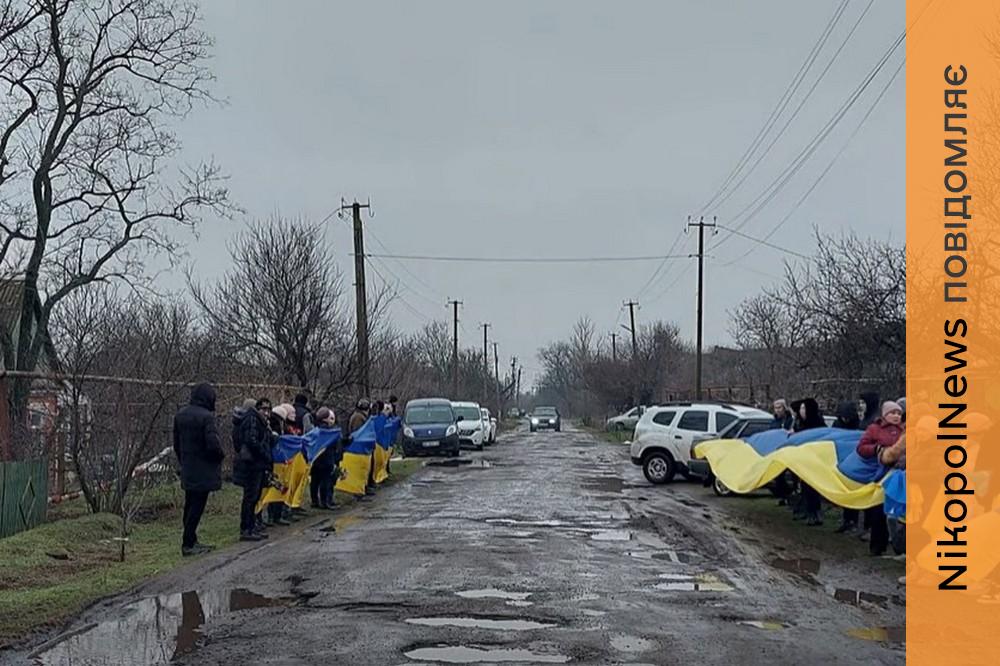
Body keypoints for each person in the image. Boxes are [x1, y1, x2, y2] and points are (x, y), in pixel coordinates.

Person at [173, 383, 225, 556]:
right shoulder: (207, 417)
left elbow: (176, 444)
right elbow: (213, 444)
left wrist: (184, 461)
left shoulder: (180, 415)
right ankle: (188, 543)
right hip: (204, 468)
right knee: (197, 506)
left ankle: (190, 539)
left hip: (188, 466)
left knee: (189, 505)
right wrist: (219, 457)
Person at [856, 401, 905, 555]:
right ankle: (877, 547)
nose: (896, 416)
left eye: (899, 413)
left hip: (900, 474)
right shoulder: (874, 429)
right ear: (884, 414)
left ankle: (899, 546)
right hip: (880, 474)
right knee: (878, 510)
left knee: (896, 511)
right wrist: (876, 449)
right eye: (893, 413)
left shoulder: (905, 430)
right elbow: (861, 447)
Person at [232, 398, 275, 541]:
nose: (267, 413)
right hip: (252, 464)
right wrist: (265, 454)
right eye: (264, 409)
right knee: (250, 497)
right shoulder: (252, 420)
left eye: (269, 409)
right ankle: (247, 529)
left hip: (255, 464)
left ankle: (251, 526)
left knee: (253, 497)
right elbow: (252, 441)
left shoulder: (255, 421)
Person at [792, 398, 825, 526]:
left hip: (815, 461)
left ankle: (815, 513)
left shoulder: (817, 423)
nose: (801, 411)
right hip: (804, 461)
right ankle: (809, 512)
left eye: (804, 408)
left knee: (813, 489)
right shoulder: (801, 424)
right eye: (801, 408)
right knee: (806, 488)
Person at [832, 400, 863, 534]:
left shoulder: (858, 424)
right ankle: (846, 520)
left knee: (853, 492)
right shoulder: (837, 423)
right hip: (841, 461)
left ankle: (853, 521)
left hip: (854, 462)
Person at [309, 407, 338, 510]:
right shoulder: (330, 432)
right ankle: (325, 501)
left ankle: (315, 501)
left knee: (315, 481)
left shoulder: (315, 430)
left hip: (316, 459)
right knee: (326, 481)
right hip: (327, 459)